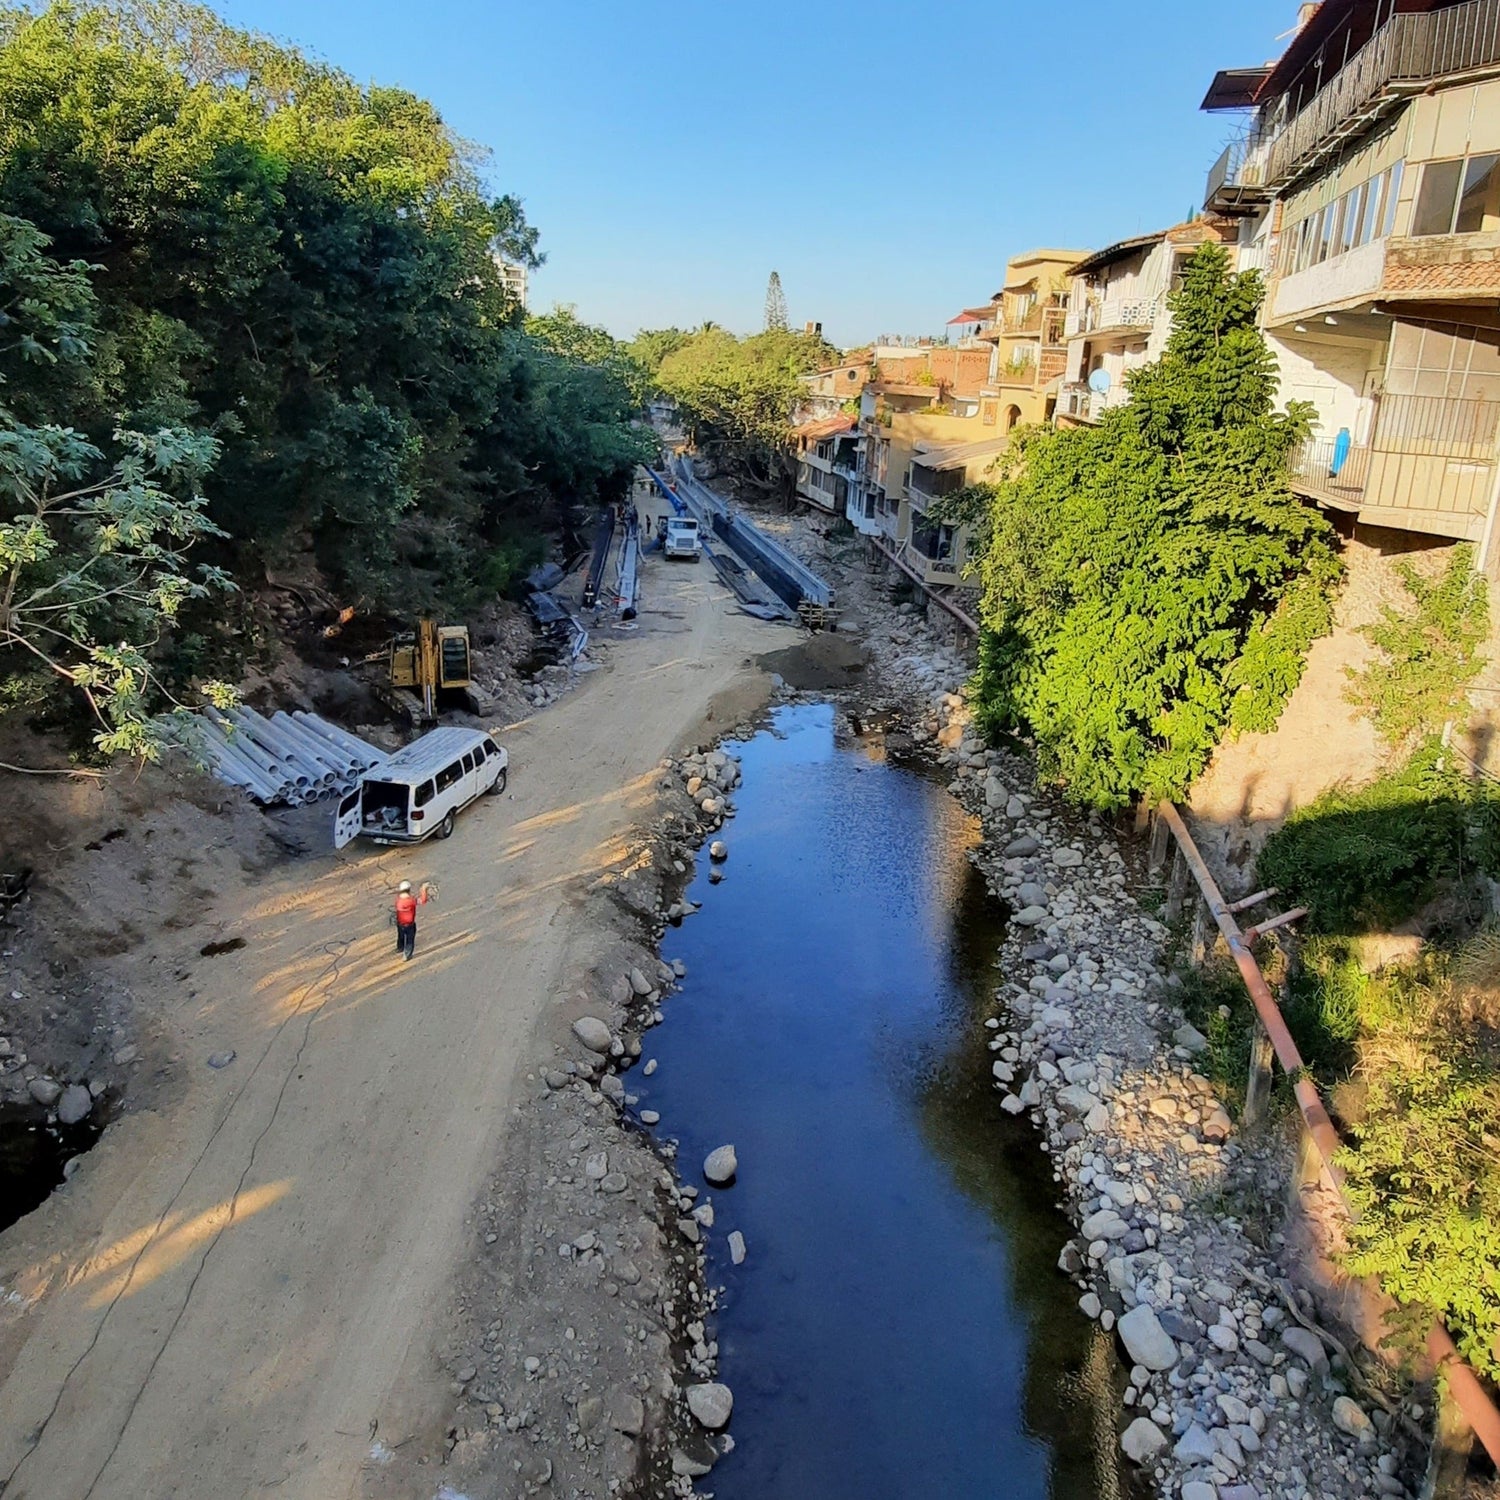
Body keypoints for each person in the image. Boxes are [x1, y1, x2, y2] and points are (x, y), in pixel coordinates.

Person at [393, 879, 428, 960]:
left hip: (400, 923)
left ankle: (400, 947)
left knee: (401, 936)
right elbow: (423, 901)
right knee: (409, 940)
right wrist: (423, 889)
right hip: (409, 924)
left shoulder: (398, 900)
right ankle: (407, 955)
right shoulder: (411, 900)